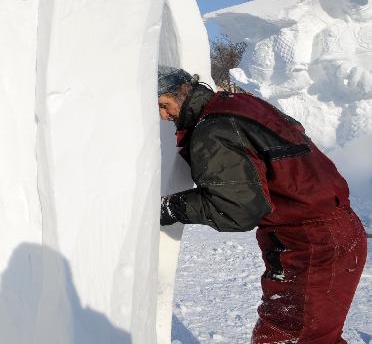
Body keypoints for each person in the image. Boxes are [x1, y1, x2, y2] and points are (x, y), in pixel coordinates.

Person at [157, 66, 366, 343]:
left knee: (287, 337)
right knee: (313, 336)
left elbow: (237, 209)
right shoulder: (238, 104)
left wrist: (168, 208)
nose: (163, 115)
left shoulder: (213, 129)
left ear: (184, 90)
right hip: (337, 230)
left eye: (164, 105)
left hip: (311, 244)